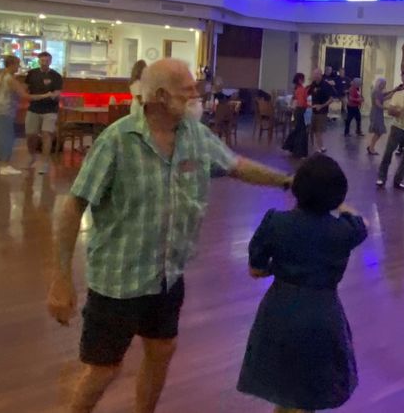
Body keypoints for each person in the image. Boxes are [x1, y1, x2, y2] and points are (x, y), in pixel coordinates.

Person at [46, 58, 293, 413]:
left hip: (166, 275)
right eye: (188, 91)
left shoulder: (195, 135)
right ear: (161, 96)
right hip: (118, 280)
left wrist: (287, 181)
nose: (198, 96)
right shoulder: (117, 141)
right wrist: (60, 277)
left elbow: (236, 166)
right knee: (103, 370)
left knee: (161, 351)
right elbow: (72, 208)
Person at [237, 154, 368, 412]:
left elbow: (256, 270)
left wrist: (281, 268)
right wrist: (339, 205)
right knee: (310, 386)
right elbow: (361, 222)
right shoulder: (343, 231)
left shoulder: (276, 222)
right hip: (323, 312)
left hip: (280, 308)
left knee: (284, 387)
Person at [0, 55, 35, 175]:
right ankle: (4, 165)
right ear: (12, 64)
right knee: (6, 138)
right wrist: (45, 95)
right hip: (4, 110)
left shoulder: (3, 75)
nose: (19, 67)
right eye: (17, 64)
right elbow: (24, 95)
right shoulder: (9, 78)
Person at [24, 51, 63, 175]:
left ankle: (45, 162)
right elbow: (25, 89)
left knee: (47, 134)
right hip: (34, 108)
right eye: (42, 61)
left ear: (50, 61)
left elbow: (58, 91)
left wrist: (53, 95)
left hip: (50, 110)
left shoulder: (56, 76)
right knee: (31, 135)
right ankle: (32, 156)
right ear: (39, 61)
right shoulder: (31, 74)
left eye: (47, 61)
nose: (44, 63)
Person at [282, 73, 309, 158]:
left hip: (298, 111)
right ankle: (299, 152)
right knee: (301, 132)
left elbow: (297, 100)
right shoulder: (301, 89)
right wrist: (306, 107)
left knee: (297, 130)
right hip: (300, 111)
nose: (304, 80)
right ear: (300, 80)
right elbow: (301, 103)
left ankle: (291, 147)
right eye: (303, 78)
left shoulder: (297, 88)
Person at [308, 69, 333, 154]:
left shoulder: (325, 85)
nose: (315, 76)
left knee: (318, 130)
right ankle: (320, 146)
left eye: (317, 74)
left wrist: (321, 106)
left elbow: (331, 99)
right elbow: (307, 93)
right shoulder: (313, 84)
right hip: (313, 111)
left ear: (321, 75)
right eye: (314, 74)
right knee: (314, 130)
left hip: (322, 111)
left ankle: (318, 147)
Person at [365, 77, 387, 156]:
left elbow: (383, 98)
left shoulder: (378, 92)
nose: (385, 86)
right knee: (378, 131)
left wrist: (393, 92)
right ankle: (371, 148)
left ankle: (371, 147)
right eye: (384, 84)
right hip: (376, 113)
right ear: (380, 84)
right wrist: (388, 108)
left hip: (377, 113)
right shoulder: (377, 92)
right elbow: (378, 104)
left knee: (378, 131)